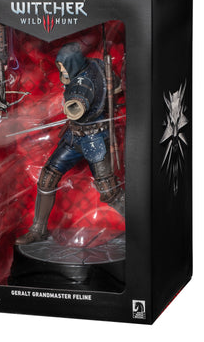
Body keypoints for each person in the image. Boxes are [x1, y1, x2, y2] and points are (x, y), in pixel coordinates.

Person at [16, 43, 124, 245]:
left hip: (94, 139)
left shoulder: (84, 81)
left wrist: (79, 104)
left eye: (64, 66)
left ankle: (141, 228)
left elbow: (79, 101)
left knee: (109, 191)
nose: (63, 71)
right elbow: (116, 86)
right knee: (47, 178)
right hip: (74, 136)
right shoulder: (98, 64)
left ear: (74, 63)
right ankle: (38, 230)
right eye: (61, 66)